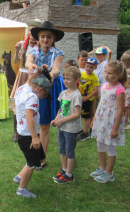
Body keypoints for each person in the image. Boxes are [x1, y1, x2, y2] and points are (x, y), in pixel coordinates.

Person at [26, 21, 66, 167]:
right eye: (42, 36)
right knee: (40, 123)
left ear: (53, 38)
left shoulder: (58, 53)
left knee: (49, 124)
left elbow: (56, 69)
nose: (45, 39)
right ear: (38, 38)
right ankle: (39, 155)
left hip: (52, 87)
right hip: (37, 87)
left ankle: (42, 158)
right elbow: (28, 62)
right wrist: (32, 66)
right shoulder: (33, 52)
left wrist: (49, 72)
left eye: (48, 36)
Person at [13, 72, 51, 197]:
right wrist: (35, 137)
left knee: (40, 158)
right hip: (28, 135)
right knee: (32, 163)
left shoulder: (23, 88)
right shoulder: (33, 97)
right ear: (40, 89)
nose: (43, 97)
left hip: (22, 132)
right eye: (44, 94)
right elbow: (29, 114)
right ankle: (22, 189)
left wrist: (38, 72)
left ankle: (19, 177)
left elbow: (29, 80)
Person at [91, 61, 126, 183]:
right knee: (100, 143)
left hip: (112, 122)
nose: (106, 75)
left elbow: (120, 109)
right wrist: (94, 120)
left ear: (119, 75)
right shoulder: (104, 86)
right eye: (105, 71)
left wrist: (115, 128)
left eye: (110, 73)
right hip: (101, 120)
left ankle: (109, 173)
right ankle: (103, 168)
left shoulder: (119, 89)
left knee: (110, 146)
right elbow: (101, 104)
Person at [11, 18, 41, 142]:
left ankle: (33, 130)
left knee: (32, 103)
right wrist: (17, 51)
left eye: (34, 31)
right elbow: (15, 62)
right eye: (30, 30)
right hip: (23, 75)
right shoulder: (23, 44)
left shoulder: (40, 45)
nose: (31, 33)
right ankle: (17, 132)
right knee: (17, 103)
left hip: (33, 76)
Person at [51, 66, 82, 183]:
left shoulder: (76, 95)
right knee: (62, 149)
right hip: (62, 127)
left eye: (68, 78)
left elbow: (77, 114)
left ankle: (69, 175)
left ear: (77, 79)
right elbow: (61, 109)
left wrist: (62, 121)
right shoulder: (63, 93)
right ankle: (64, 170)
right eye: (64, 78)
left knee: (69, 151)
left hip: (71, 129)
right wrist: (56, 119)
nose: (66, 81)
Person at [77, 57, 99, 141]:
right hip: (79, 98)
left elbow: (96, 89)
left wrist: (87, 97)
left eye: (91, 67)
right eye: (87, 66)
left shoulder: (94, 77)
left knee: (86, 116)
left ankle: (86, 133)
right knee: (78, 114)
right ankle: (80, 130)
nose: (88, 68)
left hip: (87, 100)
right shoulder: (81, 74)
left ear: (95, 68)